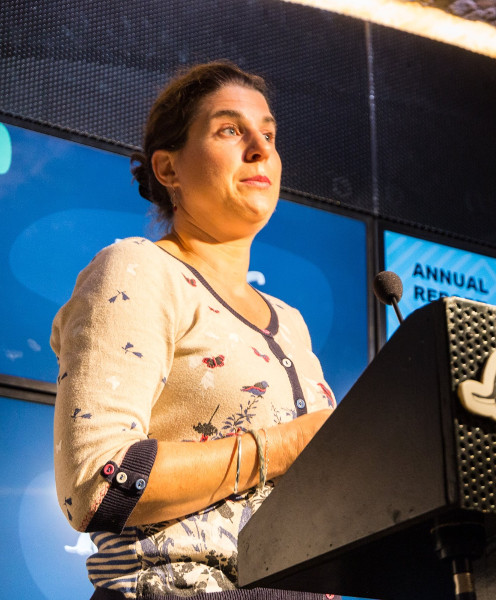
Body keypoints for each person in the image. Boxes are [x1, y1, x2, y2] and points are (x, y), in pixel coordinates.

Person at [52, 61, 336, 599]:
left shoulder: (291, 321)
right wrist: (286, 445)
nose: (260, 149)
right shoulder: (137, 269)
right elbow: (96, 483)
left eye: (269, 135)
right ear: (168, 169)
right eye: (230, 130)